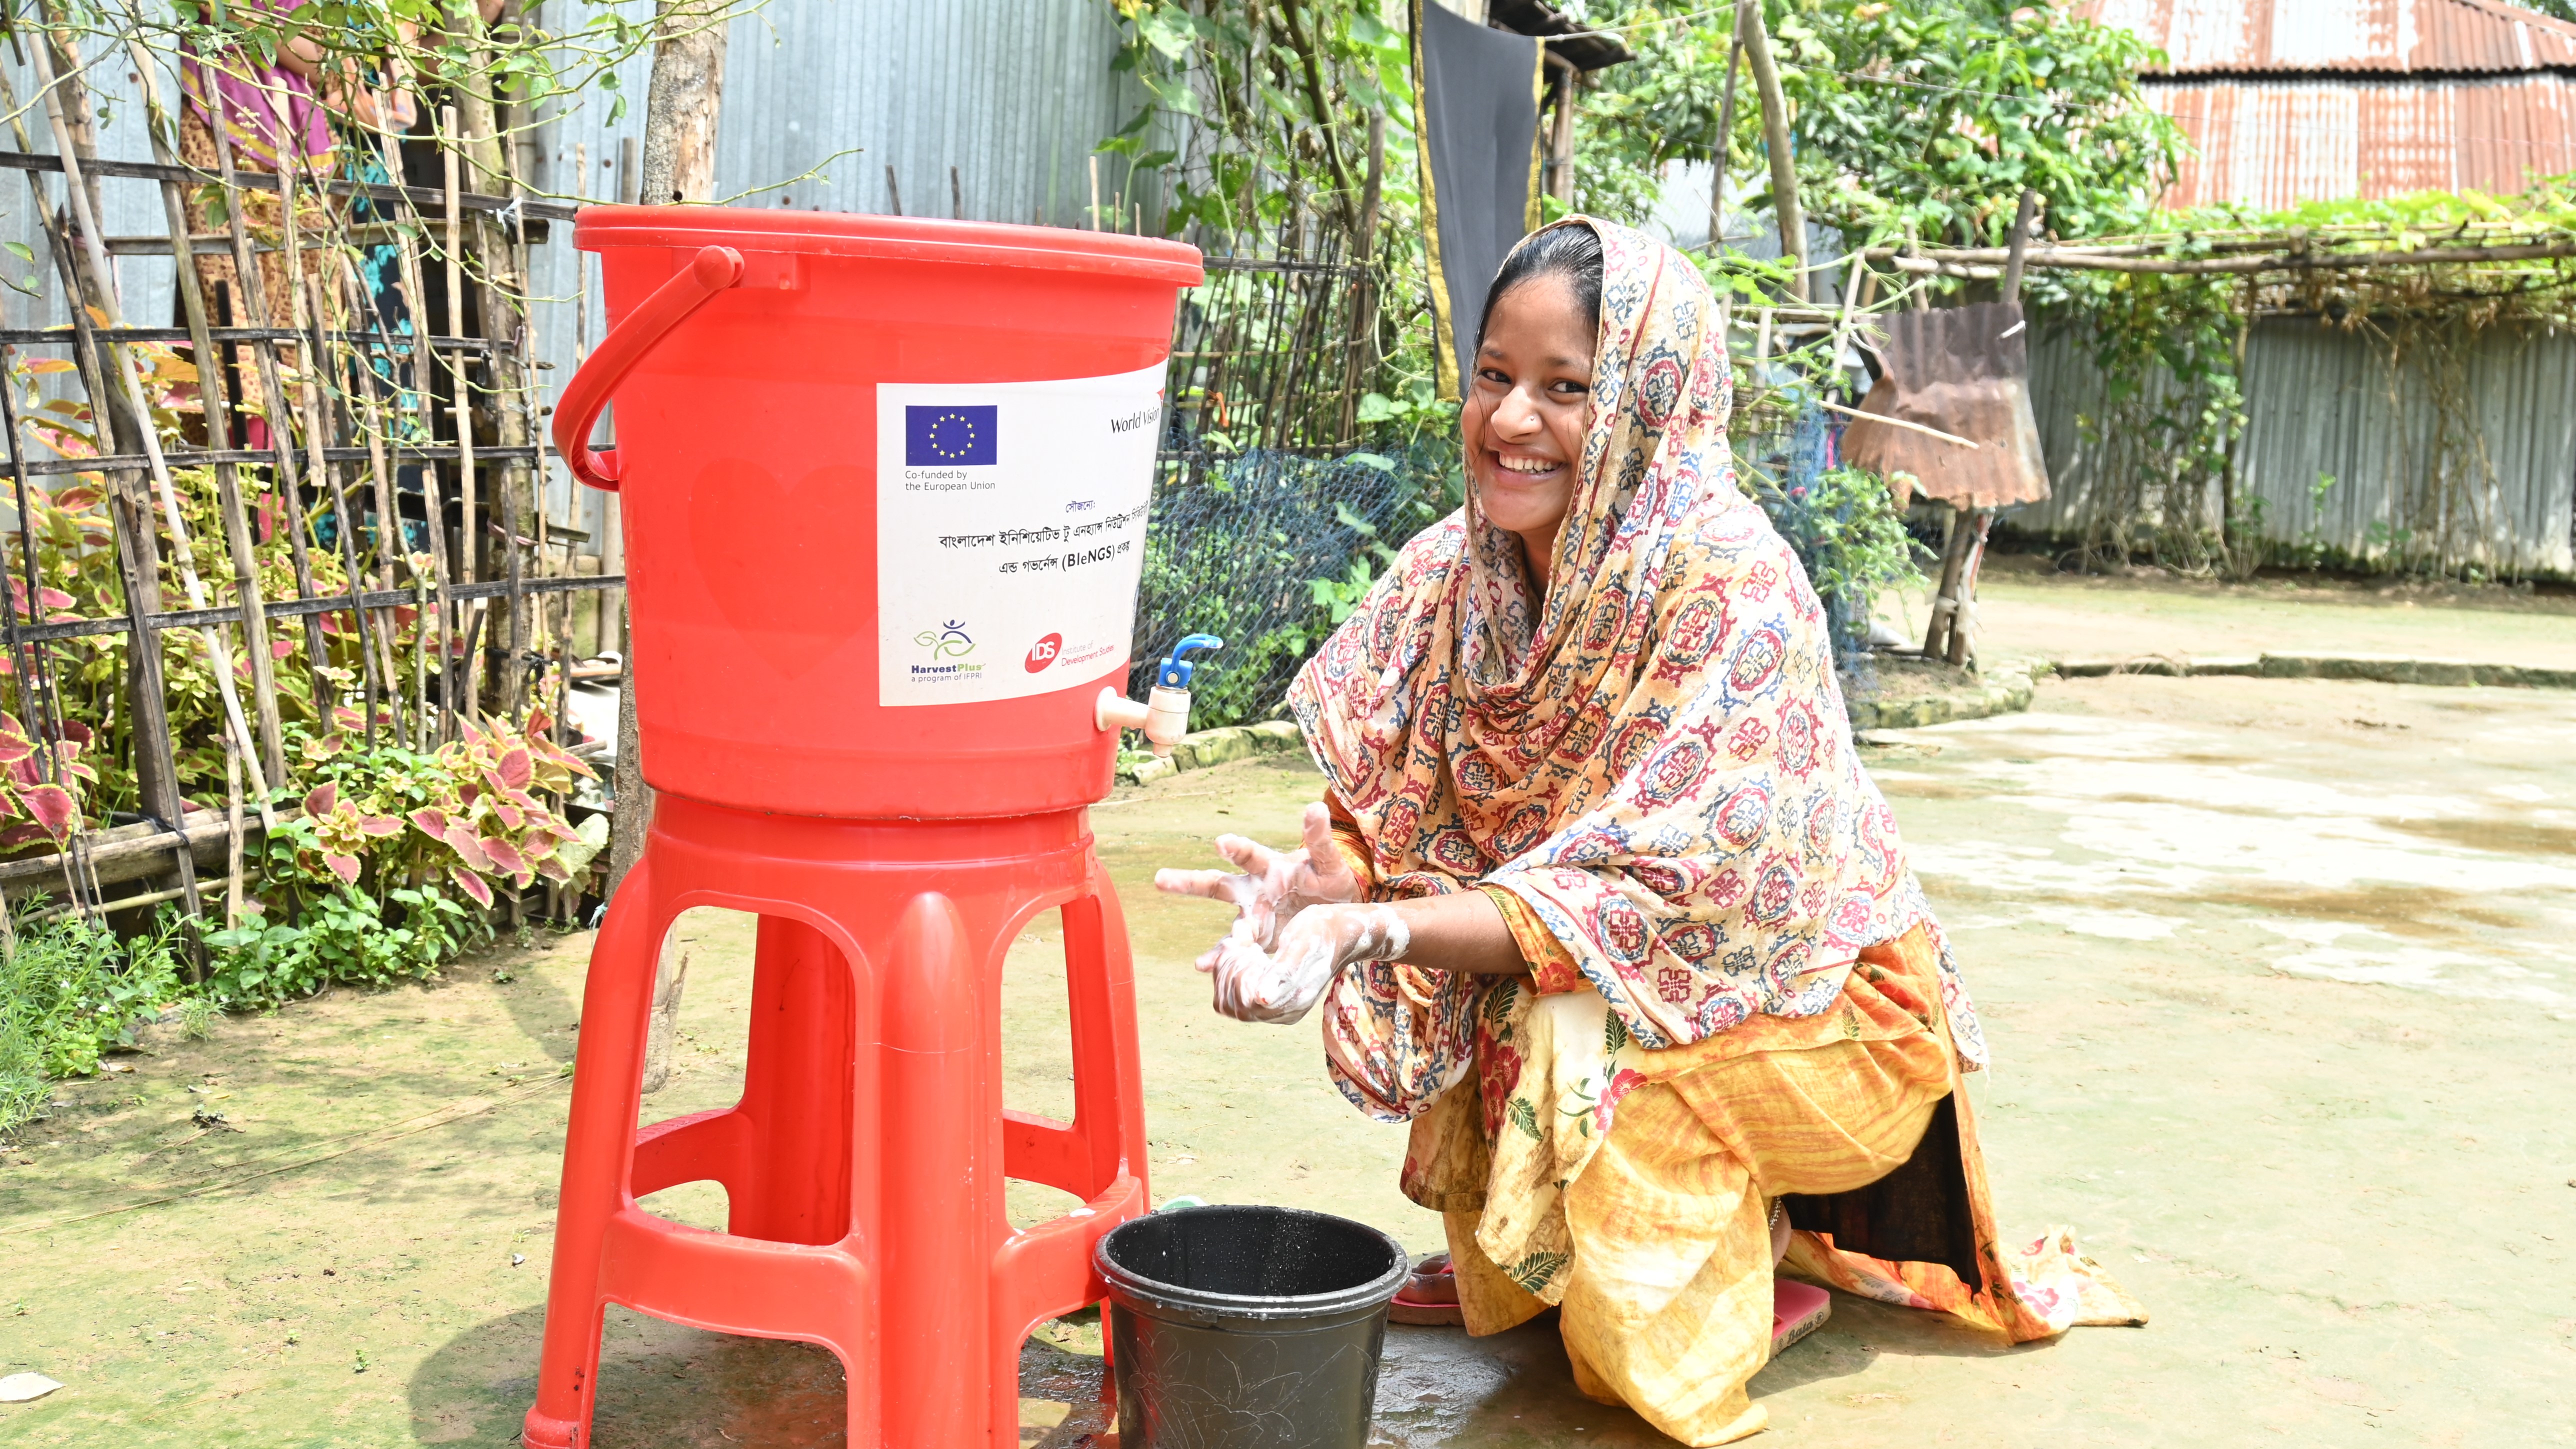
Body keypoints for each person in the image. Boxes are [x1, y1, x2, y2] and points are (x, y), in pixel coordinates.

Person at [1156, 219, 2142, 1446]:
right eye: (1493, 376)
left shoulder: (1727, 585)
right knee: (1519, 1160)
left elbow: (1637, 902)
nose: (1511, 420)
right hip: (1602, 980)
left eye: (1566, 388)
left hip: (1825, 1015)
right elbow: (1393, 813)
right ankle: (1653, 1242)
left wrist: (1373, 925)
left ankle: (1762, 1272)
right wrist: (1330, 885)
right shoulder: (1448, 578)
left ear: (1650, 399)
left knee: (1616, 1313)